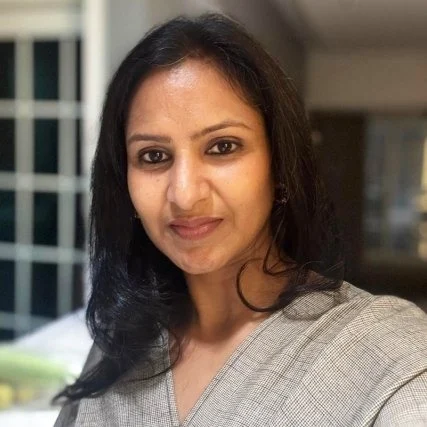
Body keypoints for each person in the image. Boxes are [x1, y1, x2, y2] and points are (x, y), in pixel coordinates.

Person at [55, 13, 427, 427]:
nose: (185, 194)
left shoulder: (387, 352)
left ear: (279, 165)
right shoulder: (122, 342)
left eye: (222, 147)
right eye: (154, 156)